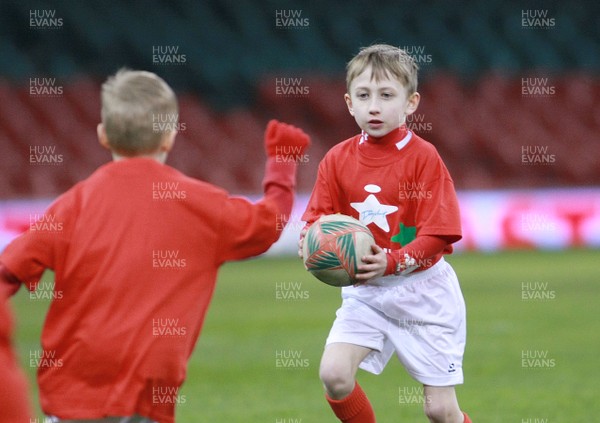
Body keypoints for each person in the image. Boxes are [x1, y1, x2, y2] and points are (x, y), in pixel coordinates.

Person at [0, 69, 310, 423]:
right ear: (169, 137)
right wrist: (283, 161)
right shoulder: (199, 204)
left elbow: (8, 271)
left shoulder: (72, 206)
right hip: (146, 398)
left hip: (71, 398)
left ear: (103, 135)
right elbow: (270, 224)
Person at [300, 44, 472, 422]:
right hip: (366, 293)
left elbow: (441, 234)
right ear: (349, 102)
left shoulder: (424, 157)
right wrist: (309, 243)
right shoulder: (337, 159)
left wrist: (392, 261)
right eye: (363, 96)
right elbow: (316, 221)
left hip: (423, 294)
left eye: (386, 95)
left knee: (440, 411)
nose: (373, 106)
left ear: (411, 103)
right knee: (334, 374)